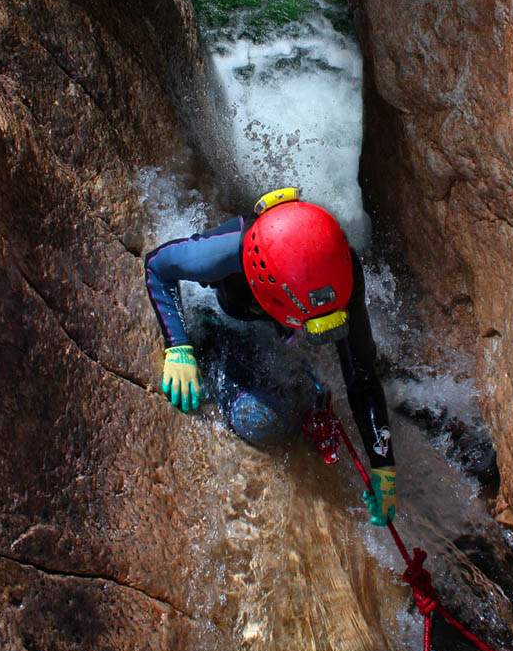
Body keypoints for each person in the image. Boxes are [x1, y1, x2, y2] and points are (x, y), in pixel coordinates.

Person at [144, 187, 397, 526]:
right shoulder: (229, 253)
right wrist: (178, 346)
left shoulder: (341, 267)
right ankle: (214, 342)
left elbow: (361, 372)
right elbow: (159, 268)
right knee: (261, 421)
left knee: (286, 404)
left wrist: (383, 465)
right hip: (232, 312)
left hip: (275, 318)